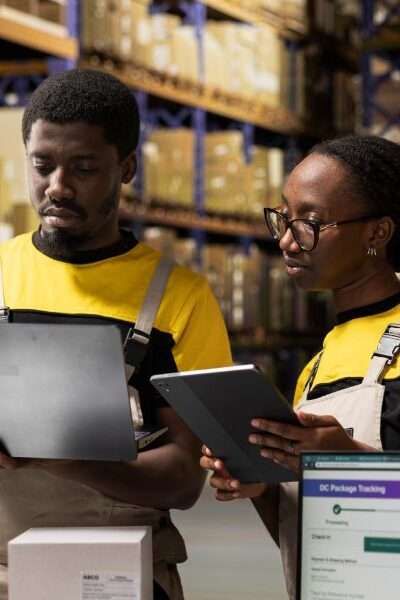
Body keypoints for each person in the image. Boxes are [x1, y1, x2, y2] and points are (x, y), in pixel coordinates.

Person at [0, 68, 232, 600]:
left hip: (116, 574)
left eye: (83, 168)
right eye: (42, 165)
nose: (57, 186)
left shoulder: (180, 298)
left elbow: (181, 478)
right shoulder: (1, 273)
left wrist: (51, 454)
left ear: (126, 168)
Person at [200, 135, 400, 599]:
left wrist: (349, 463)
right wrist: (262, 483)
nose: (288, 240)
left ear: (377, 233)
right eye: (284, 218)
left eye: (310, 222)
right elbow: (305, 540)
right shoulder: (317, 366)